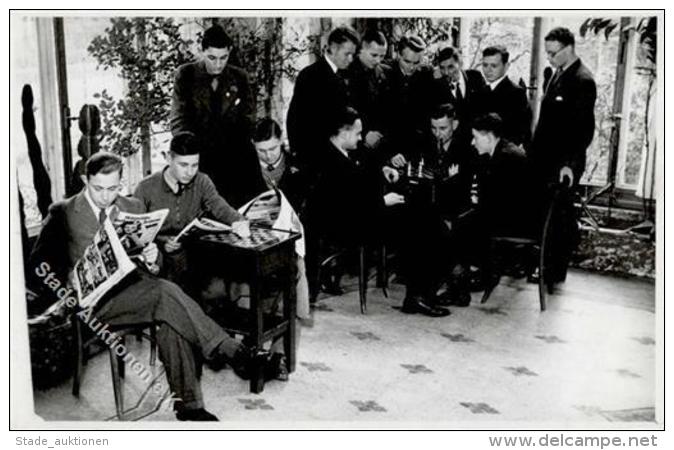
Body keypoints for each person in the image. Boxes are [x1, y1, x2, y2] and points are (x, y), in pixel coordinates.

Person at [28, 152, 275, 422]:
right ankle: (233, 352)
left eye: (113, 188)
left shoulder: (132, 207)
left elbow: (152, 259)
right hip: (94, 304)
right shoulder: (63, 212)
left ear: (121, 183)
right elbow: (37, 266)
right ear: (85, 179)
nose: (105, 197)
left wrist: (152, 257)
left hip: (136, 290)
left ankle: (189, 407)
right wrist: (66, 286)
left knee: (169, 312)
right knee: (164, 294)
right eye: (98, 188)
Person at [306, 107, 450, 317]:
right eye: (357, 133)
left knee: (426, 217)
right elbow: (341, 207)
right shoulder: (328, 162)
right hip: (347, 227)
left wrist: (383, 170)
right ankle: (418, 295)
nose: (361, 137)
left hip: (363, 215)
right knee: (421, 227)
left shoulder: (342, 152)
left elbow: (358, 181)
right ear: (344, 134)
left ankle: (421, 292)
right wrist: (382, 201)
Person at [134, 131, 250, 292]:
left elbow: (220, 207)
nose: (190, 172)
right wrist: (161, 243)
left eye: (194, 165)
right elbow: (135, 233)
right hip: (157, 257)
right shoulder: (145, 188)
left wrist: (239, 221)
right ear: (168, 158)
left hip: (192, 253)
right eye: (183, 165)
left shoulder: (202, 181)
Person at [530, 27, 597, 283]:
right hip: (546, 160)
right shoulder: (557, 74)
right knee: (548, 213)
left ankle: (553, 271)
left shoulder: (582, 80)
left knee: (559, 217)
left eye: (553, 53)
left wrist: (569, 164)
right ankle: (546, 265)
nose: (549, 58)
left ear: (568, 49)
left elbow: (583, 130)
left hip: (562, 164)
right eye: (547, 52)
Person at [170, 25, 261, 208]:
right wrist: (191, 152)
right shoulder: (186, 75)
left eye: (223, 58)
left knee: (245, 209)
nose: (218, 64)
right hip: (199, 155)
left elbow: (249, 119)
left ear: (229, 53)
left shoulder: (240, 77)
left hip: (234, 156)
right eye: (212, 58)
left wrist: (235, 148)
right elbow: (178, 121)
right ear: (202, 51)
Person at [468, 114, 534, 288]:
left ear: (489, 137)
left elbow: (495, 204)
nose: (473, 143)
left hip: (518, 223)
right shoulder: (504, 151)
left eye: (475, 138)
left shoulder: (506, 158)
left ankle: (475, 276)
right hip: (517, 216)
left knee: (463, 223)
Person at [286, 26, 360, 173]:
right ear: (332, 49)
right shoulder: (310, 75)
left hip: (331, 154)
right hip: (315, 156)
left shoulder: (339, 75)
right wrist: (298, 156)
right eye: (347, 54)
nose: (351, 59)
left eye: (353, 54)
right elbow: (295, 118)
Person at [385, 35, 436, 169]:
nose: (412, 67)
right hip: (389, 150)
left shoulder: (427, 76)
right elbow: (381, 120)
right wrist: (390, 152)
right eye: (407, 61)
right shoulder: (385, 75)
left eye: (416, 62)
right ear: (397, 55)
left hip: (417, 151)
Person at [346, 29, 390, 152]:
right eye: (374, 55)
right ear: (360, 50)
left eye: (382, 56)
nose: (378, 61)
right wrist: (364, 133)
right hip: (354, 142)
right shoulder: (345, 73)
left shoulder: (385, 72)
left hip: (380, 143)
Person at [480, 45, 532, 148]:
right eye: (485, 65)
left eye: (494, 66)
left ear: (506, 66)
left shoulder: (517, 93)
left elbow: (519, 132)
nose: (488, 70)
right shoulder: (479, 92)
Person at [432, 46, 488, 138]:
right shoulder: (437, 87)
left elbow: (484, 108)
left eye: (451, 67)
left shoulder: (475, 77)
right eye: (442, 68)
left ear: (460, 63)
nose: (446, 72)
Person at [252, 117, 305, 211]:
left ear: (281, 140)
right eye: (261, 151)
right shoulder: (243, 170)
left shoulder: (299, 165)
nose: (268, 156)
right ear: (253, 143)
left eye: (272, 149)